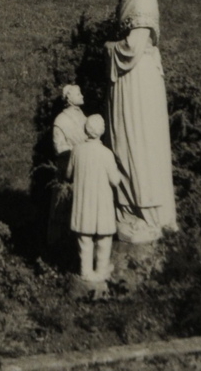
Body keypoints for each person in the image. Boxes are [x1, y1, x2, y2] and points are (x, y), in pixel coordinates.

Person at [85, 0, 177, 243]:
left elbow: (132, 48)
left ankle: (145, 212)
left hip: (138, 82)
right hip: (128, 80)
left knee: (137, 141)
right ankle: (129, 207)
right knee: (124, 140)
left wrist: (108, 48)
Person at [67, 114, 120, 282]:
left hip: (83, 201)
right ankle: (101, 271)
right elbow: (115, 180)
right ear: (102, 131)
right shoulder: (106, 153)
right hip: (101, 201)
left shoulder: (76, 151)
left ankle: (85, 271)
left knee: (84, 237)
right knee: (104, 237)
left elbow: (68, 173)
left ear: (86, 130)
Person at [47, 84, 87, 250]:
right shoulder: (61, 121)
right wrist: (78, 150)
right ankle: (58, 247)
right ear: (69, 98)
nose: (82, 95)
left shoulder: (83, 116)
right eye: (78, 93)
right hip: (68, 169)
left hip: (85, 168)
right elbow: (59, 148)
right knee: (63, 209)